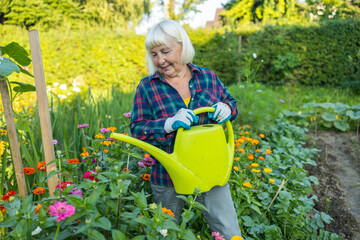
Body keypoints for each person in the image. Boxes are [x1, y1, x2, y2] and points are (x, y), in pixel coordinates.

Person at [129, 19, 242, 239]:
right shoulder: (147, 86)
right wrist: (167, 124)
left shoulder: (207, 77)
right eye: (154, 54)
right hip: (168, 177)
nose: (160, 60)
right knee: (166, 233)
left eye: (165, 51)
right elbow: (137, 128)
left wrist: (227, 108)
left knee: (229, 232)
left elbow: (232, 103)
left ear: (183, 46)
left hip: (211, 171)